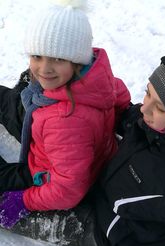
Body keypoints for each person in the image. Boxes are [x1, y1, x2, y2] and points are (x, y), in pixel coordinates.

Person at [1, 48, 165, 246]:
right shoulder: (153, 124)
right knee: (52, 113)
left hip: (103, 231)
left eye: (160, 108)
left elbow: (67, 191)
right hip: (98, 170)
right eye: (148, 92)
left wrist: (25, 200)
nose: (145, 108)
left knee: (5, 204)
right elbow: (123, 109)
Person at [0, 0, 131, 229]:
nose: (44, 69)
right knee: (9, 103)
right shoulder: (99, 79)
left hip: (43, 172)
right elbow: (120, 100)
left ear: (77, 61)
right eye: (37, 56)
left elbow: (68, 189)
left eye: (58, 59)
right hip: (52, 139)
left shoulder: (65, 123)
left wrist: (24, 199)